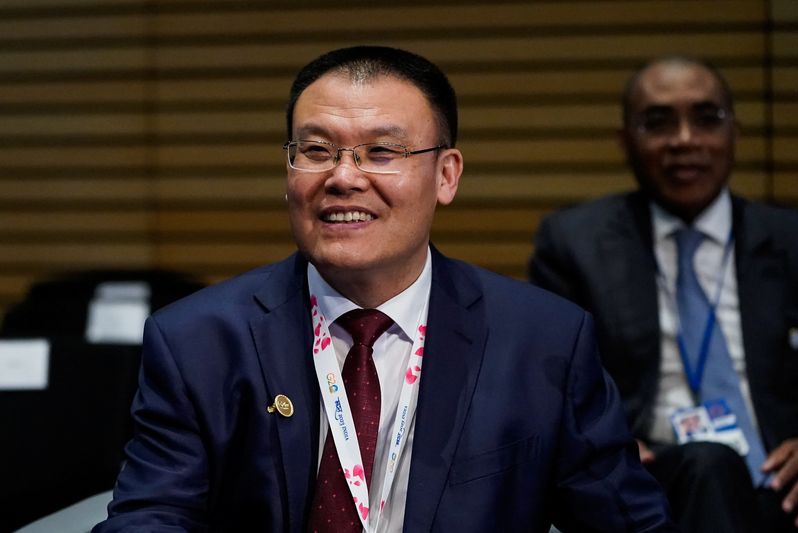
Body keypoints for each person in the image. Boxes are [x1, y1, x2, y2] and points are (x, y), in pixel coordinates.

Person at [93, 45, 676, 532]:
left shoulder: (543, 339)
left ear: (446, 175)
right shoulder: (197, 341)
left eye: (382, 152)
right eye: (316, 151)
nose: (344, 177)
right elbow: (151, 518)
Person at [529, 55, 798, 533]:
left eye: (706, 118)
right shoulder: (577, 243)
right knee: (709, 464)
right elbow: (548, 385)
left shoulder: (791, 240)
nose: (684, 140)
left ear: (734, 132)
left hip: (783, 481)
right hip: (652, 479)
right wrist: (603, 446)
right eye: (658, 122)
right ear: (625, 142)